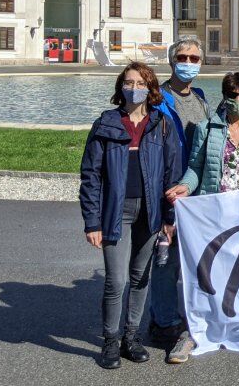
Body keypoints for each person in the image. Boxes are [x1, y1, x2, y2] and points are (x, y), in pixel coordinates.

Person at [79, 62, 184, 370]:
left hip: (150, 212)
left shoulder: (161, 124)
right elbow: (91, 176)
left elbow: (171, 175)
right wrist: (92, 221)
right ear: (120, 87)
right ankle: (110, 341)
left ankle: (131, 337)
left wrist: (168, 217)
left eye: (140, 83)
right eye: (128, 82)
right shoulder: (107, 123)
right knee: (116, 281)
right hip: (117, 212)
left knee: (141, 278)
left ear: (150, 89)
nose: (133, 87)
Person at [164, 72, 239, 363]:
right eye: (233, 95)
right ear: (225, 95)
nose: (238, 101)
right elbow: (195, 167)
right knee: (204, 273)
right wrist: (185, 187)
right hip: (212, 211)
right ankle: (192, 331)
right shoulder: (207, 129)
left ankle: (236, 326)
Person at [149, 35, 209, 355]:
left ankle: (176, 315)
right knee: (165, 259)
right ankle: (163, 322)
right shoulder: (158, 99)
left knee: (187, 260)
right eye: (182, 57)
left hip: (194, 193)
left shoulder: (200, 99)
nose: (188, 63)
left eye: (194, 58)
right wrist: (161, 193)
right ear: (172, 61)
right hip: (169, 191)